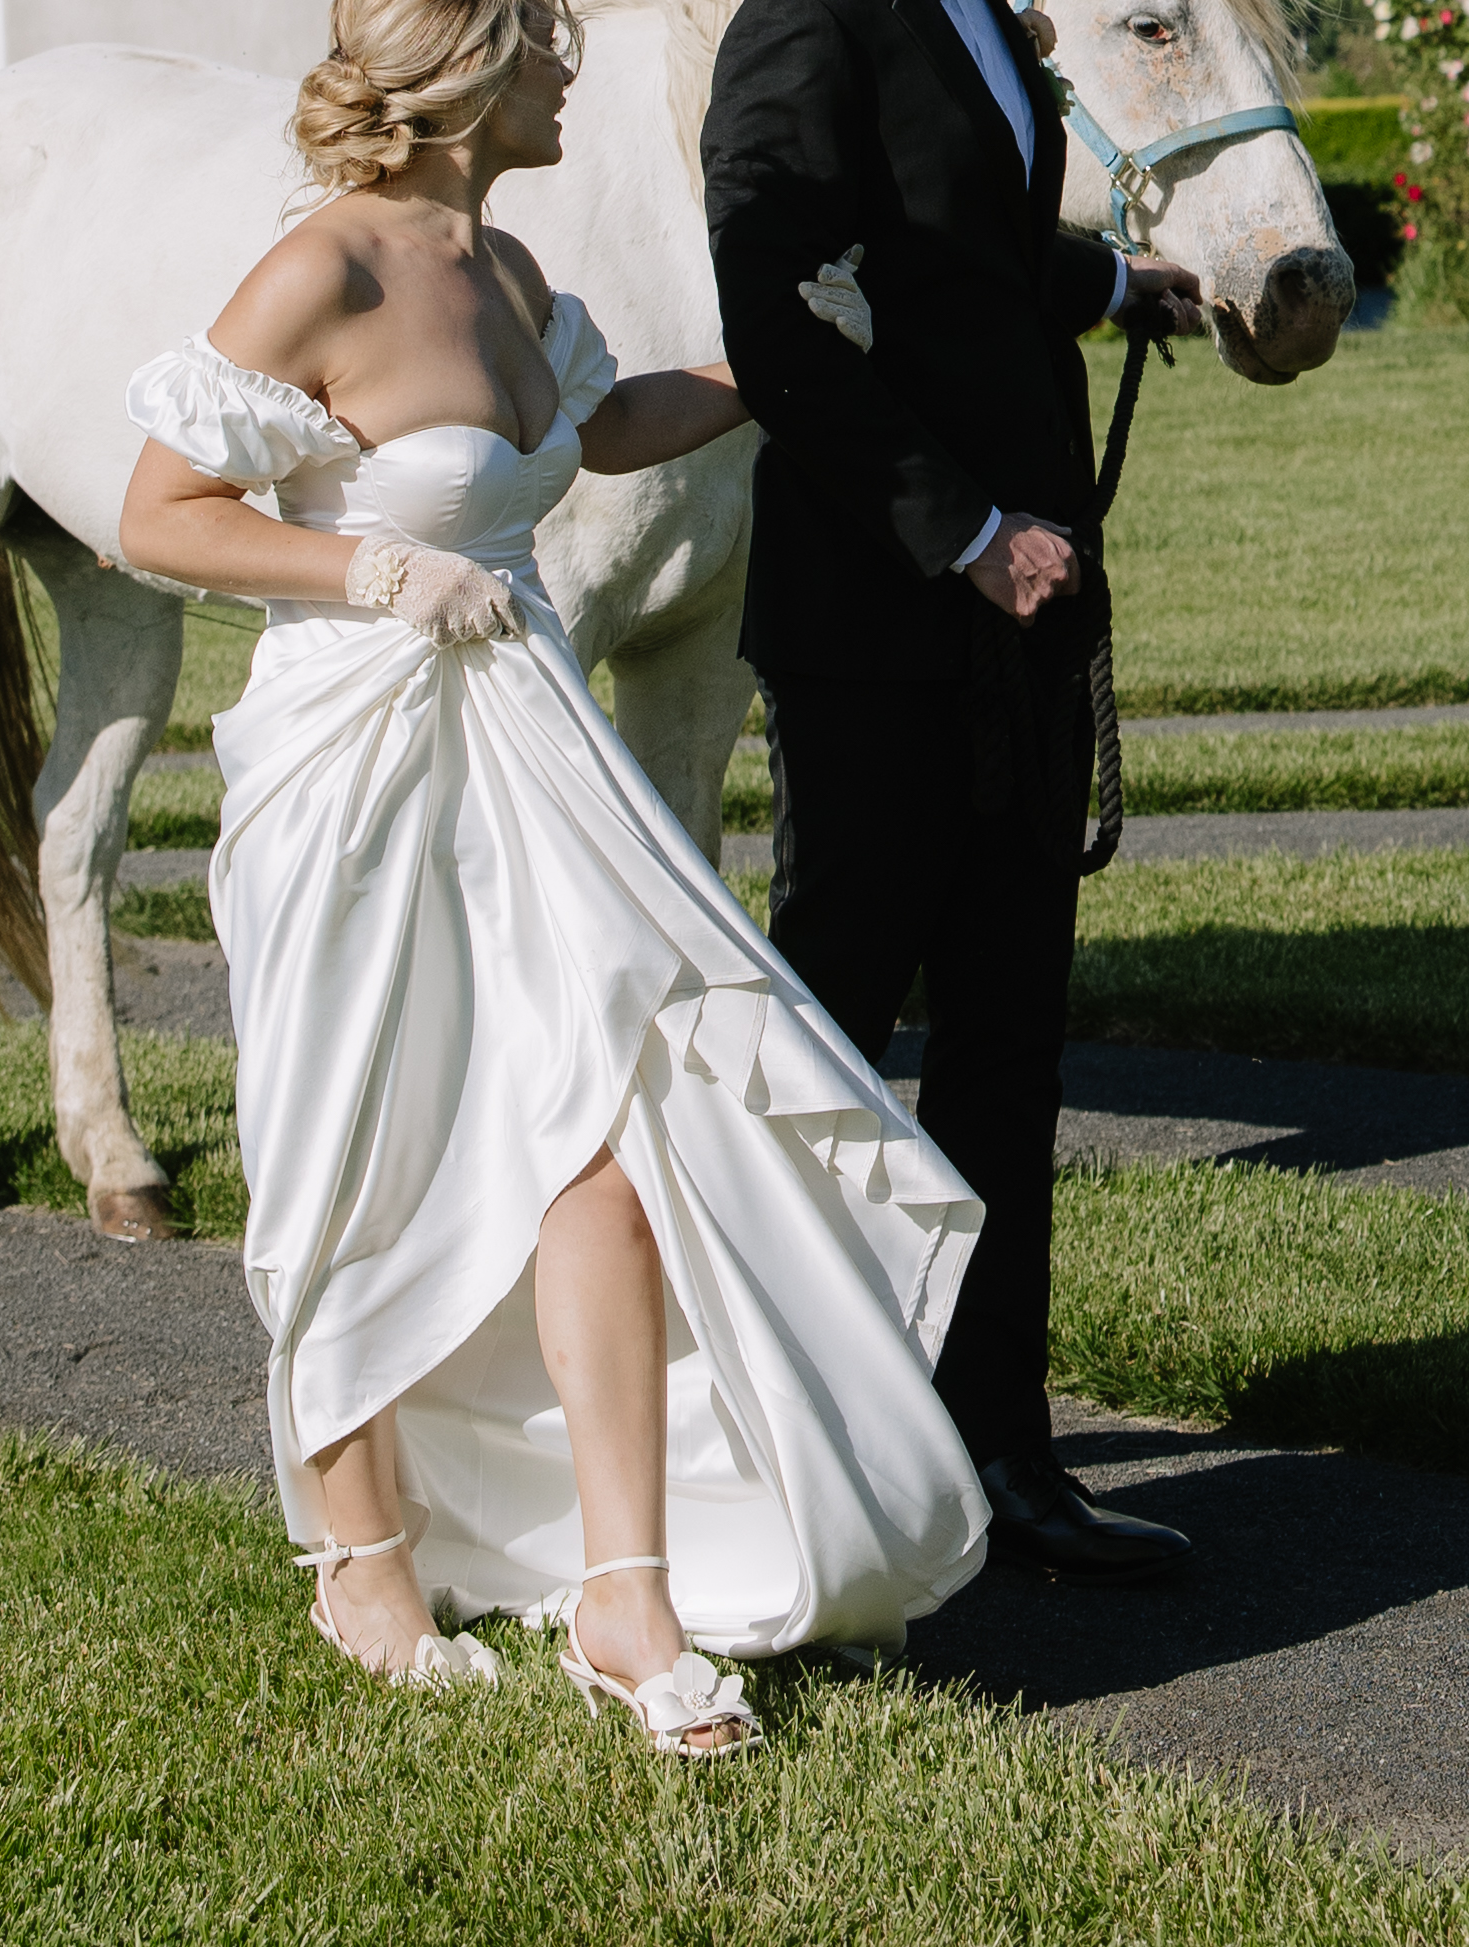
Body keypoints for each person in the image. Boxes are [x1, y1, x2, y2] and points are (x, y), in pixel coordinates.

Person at [120, 0, 993, 1758]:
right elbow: (165, 513)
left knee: (602, 1129)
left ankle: (627, 1590)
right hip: (353, 770)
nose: (567, 70)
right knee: (358, 1146)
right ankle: (362, 1548)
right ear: (456, 69)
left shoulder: (507, 269)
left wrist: (767, 368)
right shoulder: (327, 267)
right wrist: (372, 575)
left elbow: (593, 430)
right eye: (542, 45)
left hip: (527, 747)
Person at [701, 0, 1200, 1584]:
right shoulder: (804, 23)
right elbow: (777, 311)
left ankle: (1003, 1452)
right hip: (879, 624)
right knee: (836, 1034)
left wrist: (1116, 281)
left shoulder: (978, 15)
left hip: (1030, 628)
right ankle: (797, 1460)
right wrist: (967, 533)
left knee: (1008, 1042)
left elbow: (952, 251)